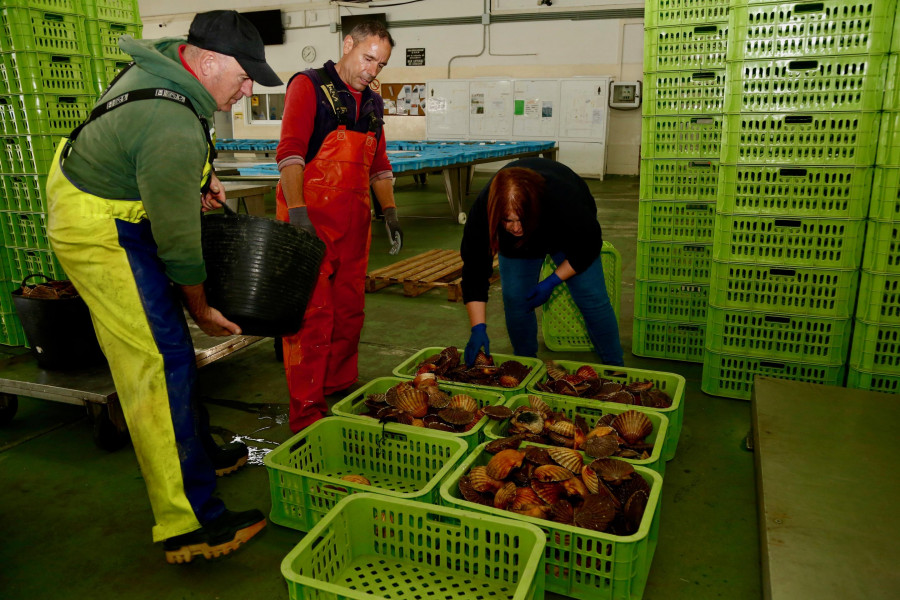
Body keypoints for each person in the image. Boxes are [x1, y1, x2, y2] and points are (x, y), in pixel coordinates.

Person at [45, 10, 282, 563]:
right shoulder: (171, 122)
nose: (248, 90)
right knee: (158, 361)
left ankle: (198, 452)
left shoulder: (171, 67)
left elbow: (159, 150)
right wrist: (201, 309)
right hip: (100, 229)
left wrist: (200, 177)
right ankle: (190, 523)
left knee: (169, 346)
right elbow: (180, 249)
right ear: (207, 61)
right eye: (244, 76)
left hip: (114, 200)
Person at [275, 21, 402, 433]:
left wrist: (390, 210)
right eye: (368, 58)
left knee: (349, 314)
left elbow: (378, 165)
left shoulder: (372, 104)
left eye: (380, 64)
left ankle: (340, 387)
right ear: (347, 45)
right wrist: (297, 214)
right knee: (312, 318)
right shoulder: (309, 86)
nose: (372, 70)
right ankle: (307, 411)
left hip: (354, 226)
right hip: (309, 222)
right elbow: (291, 153)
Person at [459, 158, 624, 367]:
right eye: (507, 220)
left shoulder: (563, 200)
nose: (516, 228)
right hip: (518, 247)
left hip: (565, 234)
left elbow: (588, 245)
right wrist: (478, 328)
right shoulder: (483, 211)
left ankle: (615, 367)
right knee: (516, 299)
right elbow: (475, 270)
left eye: (521, 219)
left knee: (592, 297)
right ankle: (525, 365)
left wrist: (552, 281)